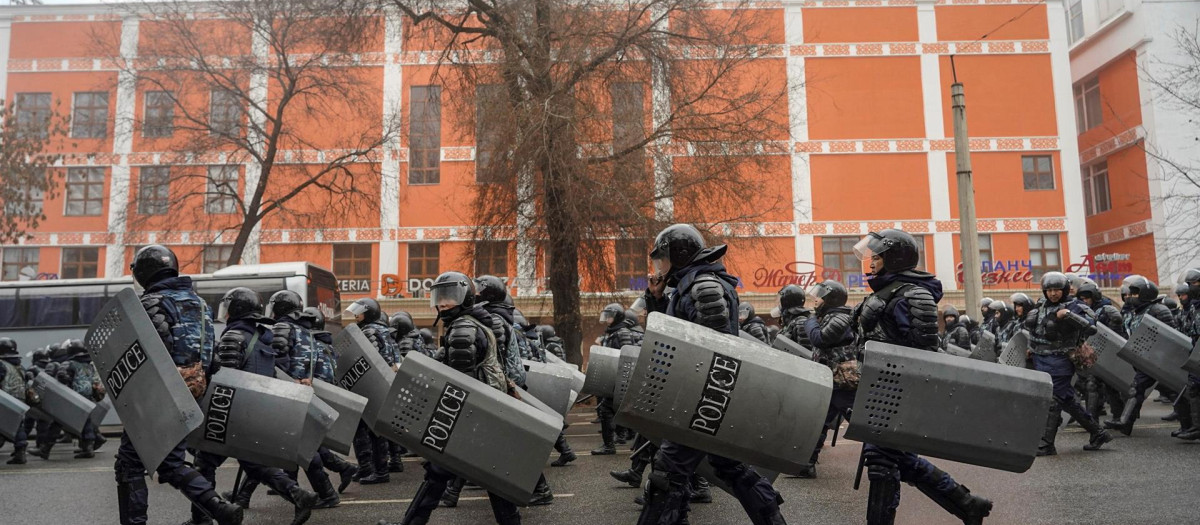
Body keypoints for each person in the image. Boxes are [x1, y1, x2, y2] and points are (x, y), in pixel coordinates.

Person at [636, 223, 787, 525]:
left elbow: (713, 348)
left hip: (704, 398)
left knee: (667, 472)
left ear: (678, 255)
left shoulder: (703, 287)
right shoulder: (689, 285)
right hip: (705, 397)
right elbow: (673, 333)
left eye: (662, 257)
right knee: (726, 463)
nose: (659, 266)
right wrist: (655, 298)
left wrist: (699, 400)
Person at [849, 229, 991, 525]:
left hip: (900, 390)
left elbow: (923, 353)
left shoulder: (913, 295)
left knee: (881, 461)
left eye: (877, 256)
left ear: (894, 258)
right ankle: (967, 504)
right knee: (898, 459)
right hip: (881, 387)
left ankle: (965, 504)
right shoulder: (887, 291)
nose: (871, 262)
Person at [378, 271, 521, 525]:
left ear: (465, 297)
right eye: (440, 296)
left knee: (440, 473)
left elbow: (460, 383)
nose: (443, 303)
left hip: (471, 417)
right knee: (481, 478)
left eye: (450, 296)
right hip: (483, 415)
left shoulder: (463, 329)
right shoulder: (472, 322)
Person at [113, 245, 243, 525]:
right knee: (170, 462)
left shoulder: (151, 303)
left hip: (158, 397)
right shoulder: (199, 304)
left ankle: (218, 509)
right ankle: (219, 509)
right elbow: (212, 355)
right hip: (191, 394)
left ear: (144, 272)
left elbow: (145, 356)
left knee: (130, 463)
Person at [189, 287, 319, 525]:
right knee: (255, 464)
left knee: (204, 463)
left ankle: (202, 518)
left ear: (236, 309)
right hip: (254, 410)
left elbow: (225, 378)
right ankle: (298, 495)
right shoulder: (264, 337)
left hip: (230, 411)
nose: (225, 313)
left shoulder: (233, 336)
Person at [226, 291, 342, 510]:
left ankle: (322, 490)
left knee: (283, 447)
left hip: (287, 392)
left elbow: (277, 362)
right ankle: (245, 496)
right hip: (303, 391)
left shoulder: (283, 327)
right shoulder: (306, 330)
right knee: (281, 446)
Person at [1025, 273, 1112, 456]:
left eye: (1057, 289)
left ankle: (1047, 444)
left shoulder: (1075, 306)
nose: (1053, 294)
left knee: (1053, 401)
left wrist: (1067, 315)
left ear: (1064, 290)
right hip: (1041, 358)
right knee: (1067, 400)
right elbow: (1035, 330)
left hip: (1061, 359)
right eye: (1049, 290)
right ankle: (1098, 433)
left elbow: (1091, 327)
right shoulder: (1040, 305)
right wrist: (1030, 347)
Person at [1106, 275, 1179, 436]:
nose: (1131, 297)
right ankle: (1125, 424)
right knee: (1161, 389)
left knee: (1140, 388)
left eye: (1135, 294)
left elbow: (1172, 335)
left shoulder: (1158, 310)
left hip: (1158, 358)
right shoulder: (1136, 312)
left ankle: (1125, 423)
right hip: (1145, 359)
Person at [799, 280, 856, 479]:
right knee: (818, 421)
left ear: (831, 299)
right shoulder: (829, 316)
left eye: (820, 296)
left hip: (841, 381)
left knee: (859, 422)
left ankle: (891, 457)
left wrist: (811, 320)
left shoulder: (839, 317)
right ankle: (806, 464)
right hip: (830, 379)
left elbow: (820, 338)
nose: (816, 299)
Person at [346, 297, 400, 484]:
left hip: (371, 385)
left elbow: (368, 358)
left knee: (372, 431)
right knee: (372, 429)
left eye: (359, 312)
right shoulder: (385, 331)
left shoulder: (369, 331)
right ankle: (369, 468)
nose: (355, 315)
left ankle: (379, 471)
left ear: (368, 312)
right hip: (385, 383)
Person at [1075, 282, 1126, 422]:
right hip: (1092, 353)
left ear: (1094, 297)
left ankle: (1118, 417)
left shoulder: (1107, 309)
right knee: (1091, 385)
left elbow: (1117, 333)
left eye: (1087, 298)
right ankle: (1092, 421)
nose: (1084, 301)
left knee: (1111, 386)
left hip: (1109, 352)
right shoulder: (1082, 311)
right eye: (1082, 298)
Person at [593, 303, 638, 456]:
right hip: (614, 379)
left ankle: (610, 445)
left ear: (617, 316)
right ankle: (620, 443)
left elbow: (628, 356)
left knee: (606, 409)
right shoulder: (613, 332)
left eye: (610, 316)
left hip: (620, 380)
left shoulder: (622, 333)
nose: (607, 319)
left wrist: (623, 379)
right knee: (616, 411)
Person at [62, 338, 105, 458]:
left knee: (83, 424)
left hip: (75, 396)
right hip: (88, 397)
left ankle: (87, 449)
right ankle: (88, 445)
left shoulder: (69, 364)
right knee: (86, 422)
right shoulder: (88, 365)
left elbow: (62, 376)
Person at [1174, 268, 1200, 440]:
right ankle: (1195, 426)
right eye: (1189, 284)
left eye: (1194, 284)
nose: (1191, 287)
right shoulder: (1194, 306)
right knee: (1193, 387)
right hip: (1196, 350)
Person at [0, 337, 29, 464]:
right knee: (18, 425)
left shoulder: (1, 364)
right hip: (19, 399)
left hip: (5, 398)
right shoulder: (19, 366)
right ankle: (20, 453)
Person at [774, 284, 813, 349]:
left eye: (780, 300)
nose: (779, 304)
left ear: (786, 301)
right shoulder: (791, 323)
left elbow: (805, 353)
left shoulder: (801, 322)